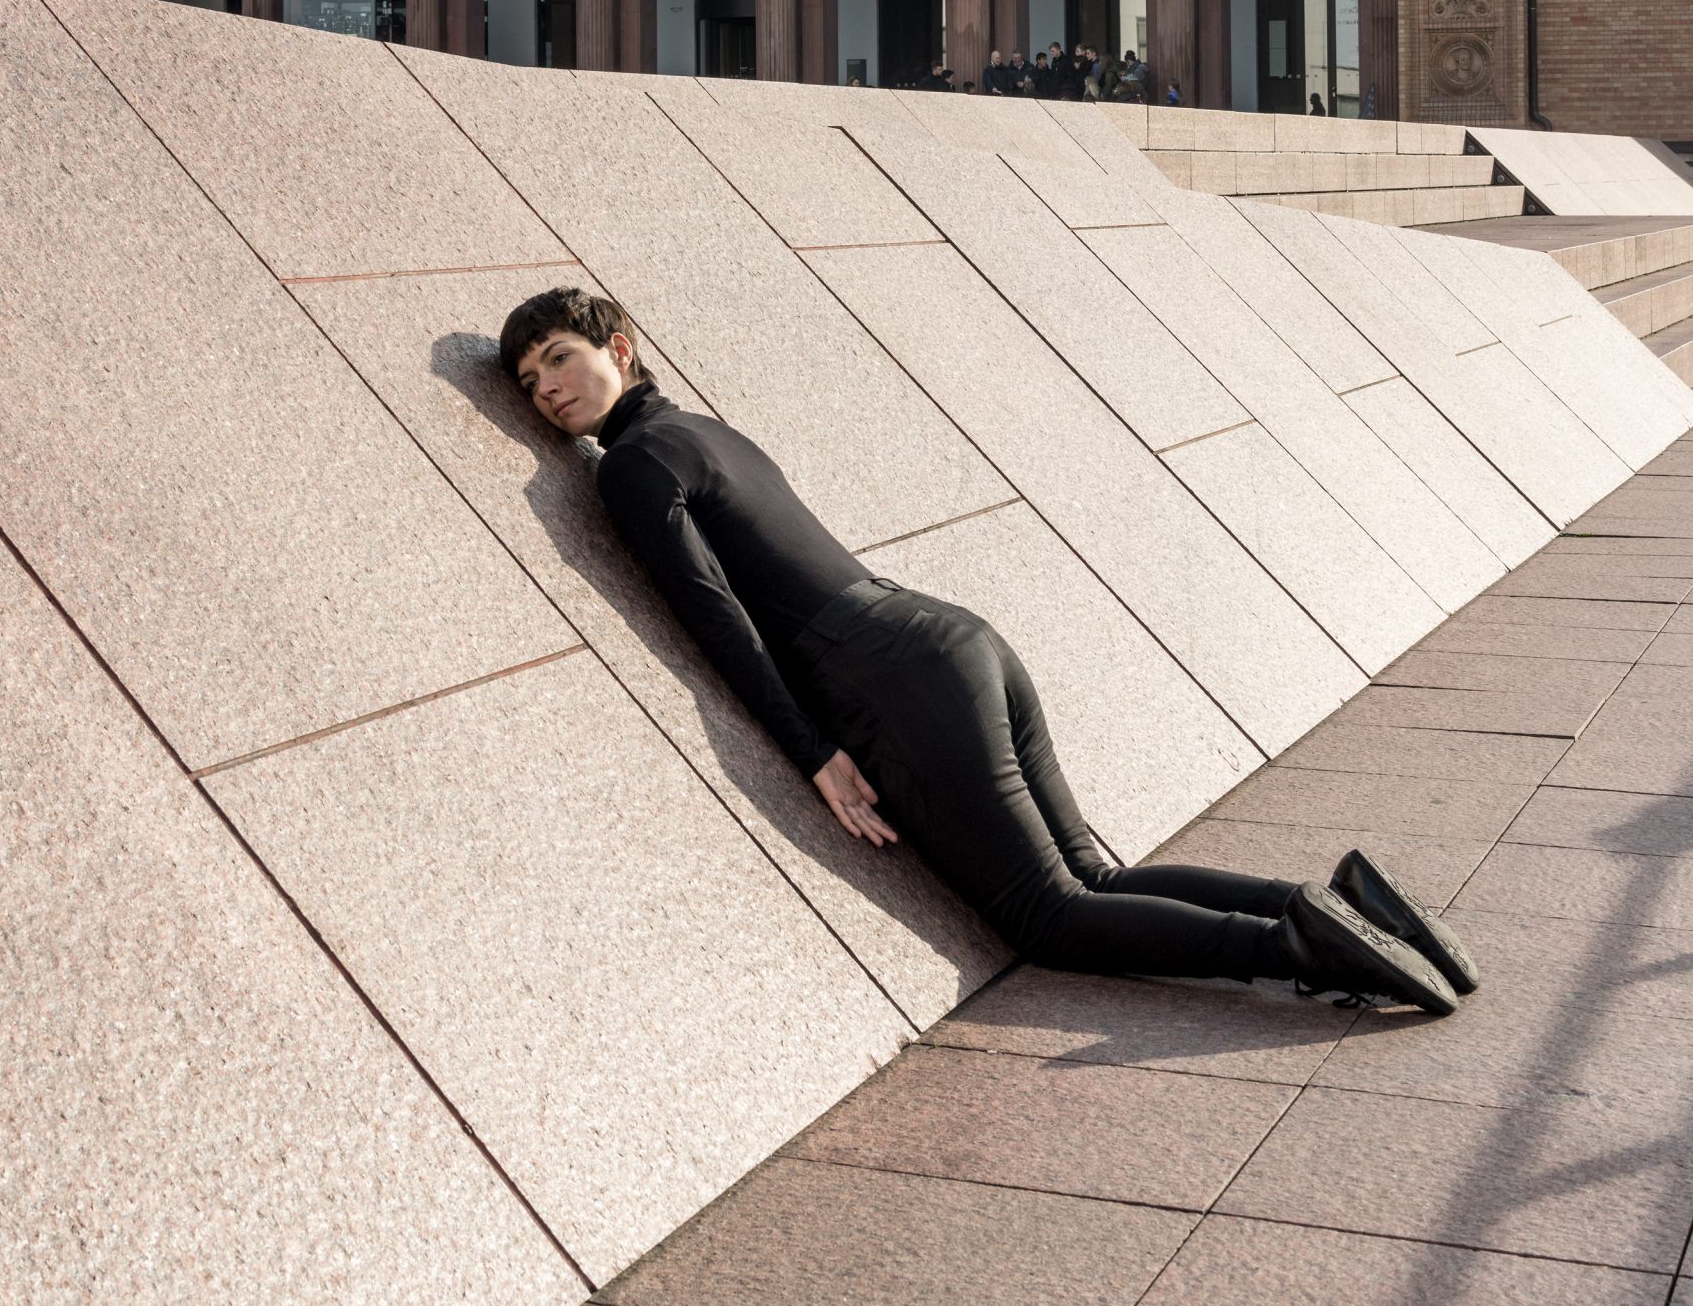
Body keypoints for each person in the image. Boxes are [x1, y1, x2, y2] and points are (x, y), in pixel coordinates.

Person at [499, 287, 1475, 1012]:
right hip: (948, 640)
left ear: (620, 347)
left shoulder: (633, 464)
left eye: (557, 358)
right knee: (1093, 879)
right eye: (529, 381)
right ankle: (1338, 906)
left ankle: (1304, 949)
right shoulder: (702, 430)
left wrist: (812, 752)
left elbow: (715, 615)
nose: (545, 389)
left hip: (885, 675)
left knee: (1046, 916)